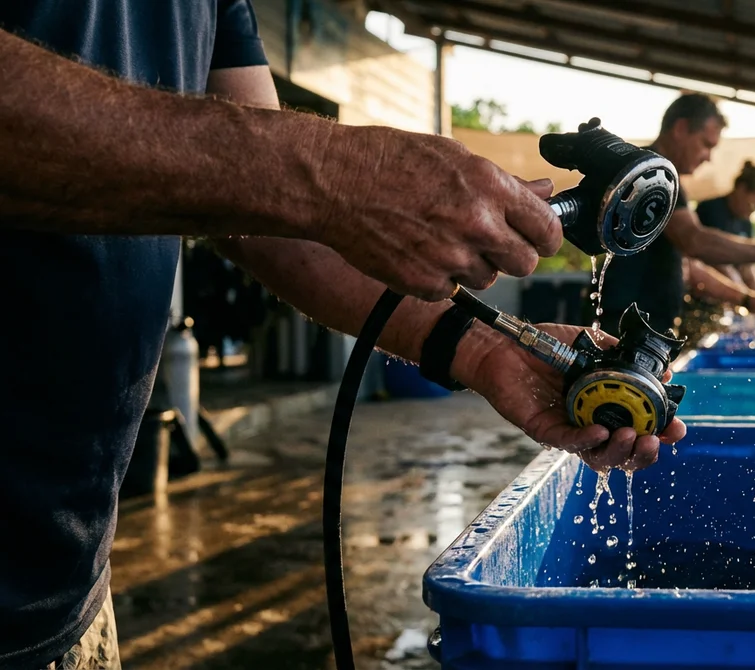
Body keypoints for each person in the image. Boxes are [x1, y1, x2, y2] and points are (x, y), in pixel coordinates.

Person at [0, 4, 684, 668]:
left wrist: (479, 346)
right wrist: (331, 171)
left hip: (67, 583)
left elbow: (265, 214)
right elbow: (284, 183)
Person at [594, 94, 755, 336]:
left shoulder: (665, 181)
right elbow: (694, 240)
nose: (708, 157)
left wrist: (750, 300)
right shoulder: (650, 173)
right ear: (681, 129)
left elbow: (689, 265)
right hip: (623, 326)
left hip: (646, 325)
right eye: (706, 144)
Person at [694, 160, 755, 297]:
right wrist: (747, 298)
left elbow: (749, 269)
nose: (753, 211)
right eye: (754, 204)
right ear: (742, 189)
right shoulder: (710, 210)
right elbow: (715, 261)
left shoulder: (746, 225)